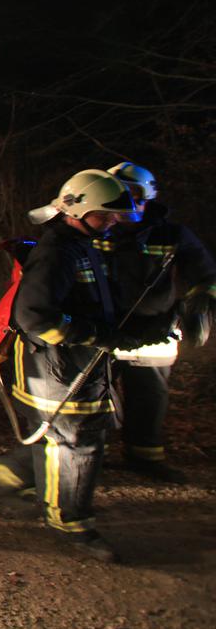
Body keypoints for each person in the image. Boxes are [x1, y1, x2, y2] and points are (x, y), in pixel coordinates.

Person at [0, 169, 147, 562]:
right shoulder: (57, 252)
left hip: (69, 367)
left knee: (58, 440)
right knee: (76, 444)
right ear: (81, 209)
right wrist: (95, 335)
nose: (112, 222)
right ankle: (70, 521)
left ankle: (32, 488)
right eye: (105, 215)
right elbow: (36, 318)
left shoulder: (81, 244)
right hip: (58, 371)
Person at [102, 162, 216, 484]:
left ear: (148, 196)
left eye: (133, 194)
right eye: (117, 194)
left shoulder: (172, 235)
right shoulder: (96, 229)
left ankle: (143, 456)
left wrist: (198, 306)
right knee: (92, 396)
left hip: (154, 331)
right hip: (102, 330)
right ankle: (84, 456)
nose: (126, 202)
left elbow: (206, 275)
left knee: (149, 397)